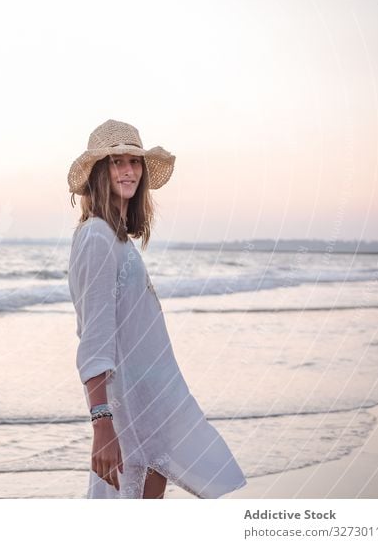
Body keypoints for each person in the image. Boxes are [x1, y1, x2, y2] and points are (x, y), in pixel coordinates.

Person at [67, 119, 247, 499]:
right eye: (117, 162)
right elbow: (95, 338)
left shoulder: (118, 240)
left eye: (135, 162)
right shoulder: (97, 236)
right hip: (125, 407)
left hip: (149, 402)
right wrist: (102, 423)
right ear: (101, 171)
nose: (129, 170)